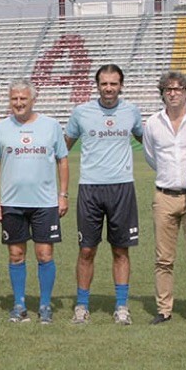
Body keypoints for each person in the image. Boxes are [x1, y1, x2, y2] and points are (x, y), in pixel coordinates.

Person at [64, 64, 144, 325]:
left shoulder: (131, 112)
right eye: (104, 83)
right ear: (96, 85)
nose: (108, 88)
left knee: (121, 250)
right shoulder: (81, 112)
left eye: (114, 83)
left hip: (122, 187)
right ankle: (82, 305)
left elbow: (149, 142)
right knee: (86, 249)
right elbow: (64, 146)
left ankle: (121, 306)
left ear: (121, 85)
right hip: (90, 188)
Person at [0, 79, 69, 324]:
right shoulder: (0, 129)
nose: (19, 103)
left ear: (33, 99)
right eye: (14, 99)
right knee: (16, 254)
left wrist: (62, 195)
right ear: (9, 101)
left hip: (44, 203)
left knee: (44, 254)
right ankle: (19, 304)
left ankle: (44, 305)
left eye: (23, 98)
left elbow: (62, 160)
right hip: (12, 202)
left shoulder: (51, 126)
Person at [142, 71, 186, 325]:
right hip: (164, 196)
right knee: (163, 258)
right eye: (168, 89)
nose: (173, 93)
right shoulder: (153, 123)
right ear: (162, 92)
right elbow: (152, 158)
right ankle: (164, 309)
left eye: (178, 88)